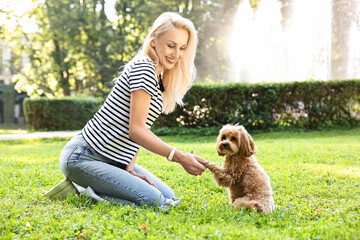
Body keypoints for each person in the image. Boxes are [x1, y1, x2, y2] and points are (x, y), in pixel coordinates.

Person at [55, 12, 209, 207]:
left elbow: (138, 128)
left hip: (114, 161)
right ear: (154, 40)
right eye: (171, 45)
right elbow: (136, 130)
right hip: (83, 156)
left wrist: (129, 169)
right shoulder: (144, 69)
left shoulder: (158, 78)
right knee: (154, 201)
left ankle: (93, 188)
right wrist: (179, 156)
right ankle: (79, 192)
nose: (176, 54)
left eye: (182, 48)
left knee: (168, 196)